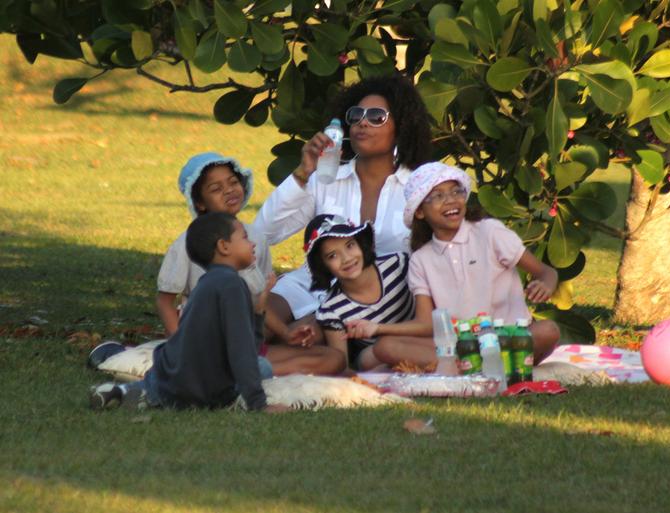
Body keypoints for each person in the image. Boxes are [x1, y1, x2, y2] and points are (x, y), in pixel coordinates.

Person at [252, 74, 432, 345]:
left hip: (375, 301)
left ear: (401, 126)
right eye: (356, 114)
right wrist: (303, 172)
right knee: (254, 324)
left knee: (305, 335)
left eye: (376, 116)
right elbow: (263, 233)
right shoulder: (326, 179)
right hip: (312, 284)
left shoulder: (418, 187)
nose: (362, 122)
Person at [153, 152, 345, 376]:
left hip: (247, 343)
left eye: (233, 182)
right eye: (215, 189)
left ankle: (237, 373)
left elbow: (258, 302)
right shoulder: (187, 243)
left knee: (333, 358)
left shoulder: (255, 238)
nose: (228, 190)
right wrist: (180, 348)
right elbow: (165, 301)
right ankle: (228, 372)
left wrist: (286, 334)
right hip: (206, 344)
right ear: (199, 203)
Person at [90, 213, 288, 412]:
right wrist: (258, 403)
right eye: (245, 237)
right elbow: (243, 351)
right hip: (203, 388)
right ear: (223, 246)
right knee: (263, 367)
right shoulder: (233, 286)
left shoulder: (205, 284)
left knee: (158, 388)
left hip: (168, 373)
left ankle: (124, 392)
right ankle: (148, 396)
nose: (253, 244)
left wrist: (260, 304)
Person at [404, 162, 561, 364]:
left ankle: (472, 365)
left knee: (547, 331)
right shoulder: (420, 259)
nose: (450, 200)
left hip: (510, 336)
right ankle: (485, 363)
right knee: (379, 351)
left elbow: (547, 272)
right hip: (460, 344)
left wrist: (546, 284)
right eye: (438, 196)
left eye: (455, 192)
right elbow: (425, 323)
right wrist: (378, 329)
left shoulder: (489, 232)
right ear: (419, 212)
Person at [304, 214, 435, 372]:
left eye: (350, 245)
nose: (346, 259)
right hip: (380, 355)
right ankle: (412, 368)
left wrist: (378, 328)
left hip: (421, 336)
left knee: (386, 347)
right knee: (368, 358)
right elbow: (342, 365)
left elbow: (429, 322)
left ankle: (444, 363)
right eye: (332, 256)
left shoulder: (398, 264)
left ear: (361, 243)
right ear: (323, 265)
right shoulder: (331, 309)